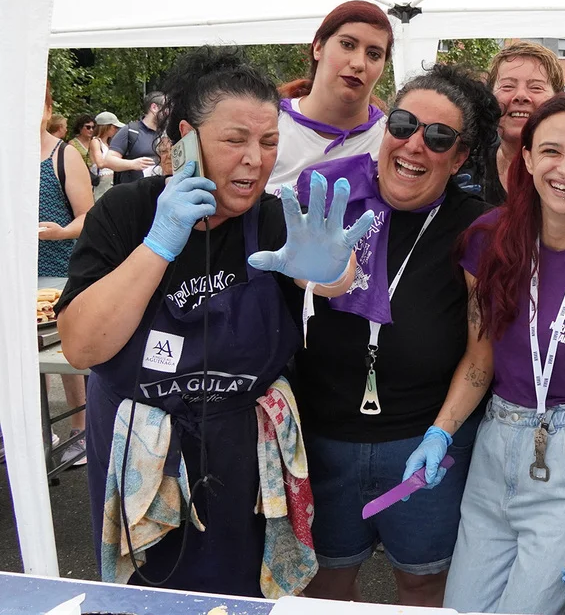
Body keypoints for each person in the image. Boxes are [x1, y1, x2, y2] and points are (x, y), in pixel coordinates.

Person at [55, 47, 370, 598]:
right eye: (234, 140)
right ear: (188, 138)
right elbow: (82, 347)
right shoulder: (126, 212)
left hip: (240, 449)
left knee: (240, 593)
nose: (255, 159)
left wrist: (335, 271)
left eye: (268, 142)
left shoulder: (270, 218)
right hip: (142, 446)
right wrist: (158, 245)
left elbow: (331, 277)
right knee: (147, 598)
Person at [406, 92, 565, 614]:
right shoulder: (488, 242)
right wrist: (440, 431)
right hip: (494, 452)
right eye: (551, 151)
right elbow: (479, 360)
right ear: (528, 159)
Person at [291, 64, 498, 606]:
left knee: (424, 582)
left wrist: (441, 433)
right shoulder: (328, 193)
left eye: (439, 137)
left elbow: (481, 356)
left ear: (459, 158)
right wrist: (305, 276)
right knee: (324, 584)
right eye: (403, 124)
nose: (414, 145)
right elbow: (287, 283)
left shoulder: (478, 226)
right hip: (323, 439)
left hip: (421, 442)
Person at [267, 0, 392, 195]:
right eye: (347, 45)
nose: (359, 63)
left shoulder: (390, 141)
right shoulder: (270, 124)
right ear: (318, 47)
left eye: (374, 54)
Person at [38, 85, 95, 467]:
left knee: (65, 353)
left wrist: (59, 232)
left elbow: (88, 216)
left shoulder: (63, 155)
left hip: (60, 269)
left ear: (48, 107)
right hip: (18, 275)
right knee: (24, 356)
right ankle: (35, 430)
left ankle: (81, 429)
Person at [485, 41, 565, 203]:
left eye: (536, 87)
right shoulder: (465, 166)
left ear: (558, 99)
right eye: (507, 86)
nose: (521, 96)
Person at [106, 92, 163, 185]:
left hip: (161, 190)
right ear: (154, 108)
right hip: (133, 190)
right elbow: (109, 160)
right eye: (167, 108)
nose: (169, 112)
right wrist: (133, 164)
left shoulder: (166, 133)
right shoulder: (130, 131)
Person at [68, 114, 102, 188]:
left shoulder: (95, 141)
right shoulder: (73, 144)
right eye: (88, 127)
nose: (91, 130)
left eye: (93, 127)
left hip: (96, 177)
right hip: (80, 177)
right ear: (80, 128)